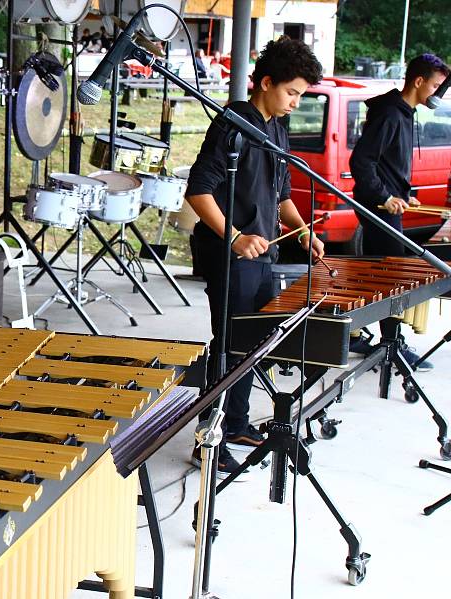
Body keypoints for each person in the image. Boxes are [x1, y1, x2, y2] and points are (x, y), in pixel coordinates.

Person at [185, 37, 324, 476]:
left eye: (301, 95)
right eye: (292, 93)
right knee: (229, 348)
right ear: (266, 82)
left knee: (252, 346)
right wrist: (235, 237)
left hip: (263, 254)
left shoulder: (276, 127)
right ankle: (209, 438)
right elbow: (199, 191)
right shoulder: (234, 125)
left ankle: (238, 423)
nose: (295, 102)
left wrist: (303, 231)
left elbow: (280, 191)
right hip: (231, 256)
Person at [348, 53, 450, 370]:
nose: (437, 92)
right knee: (392, 275)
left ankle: (369, 335)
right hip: (378, 207)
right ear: (419, 82)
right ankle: (390, 344)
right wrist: (384, 196)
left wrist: (403, 195)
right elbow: (361, 162)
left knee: (384, 273)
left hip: (388, 203)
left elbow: (388, 164)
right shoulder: (391, 114)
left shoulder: (403, 112)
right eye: (435, 85)